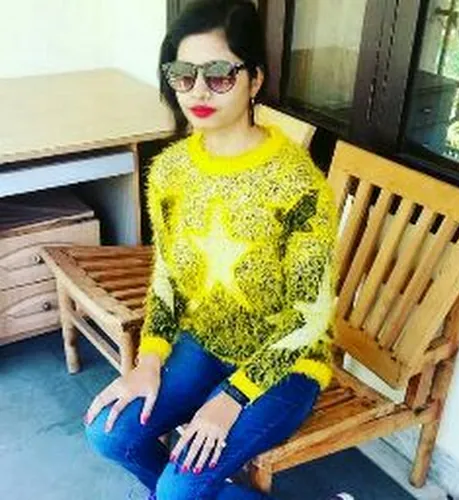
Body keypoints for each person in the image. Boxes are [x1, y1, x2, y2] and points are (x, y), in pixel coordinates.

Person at [84, 0, 338, 498]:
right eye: (183, 75)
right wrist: (148, 361)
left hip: (286, 365)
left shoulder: (298, 184)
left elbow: (310, 317)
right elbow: (167, 280)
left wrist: (233, 398)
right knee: (108, 435)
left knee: (179, 489)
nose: (199, 90)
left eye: (220, 74)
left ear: (254, 80)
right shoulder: (170, 171)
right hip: (203, 344)